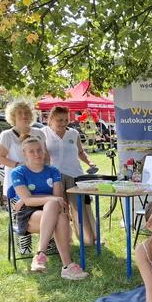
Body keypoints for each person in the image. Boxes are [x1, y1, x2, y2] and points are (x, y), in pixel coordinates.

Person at [11, 137, 89, 280]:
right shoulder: (18, 172)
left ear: (44, 151)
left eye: (39, 150)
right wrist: (46, 198)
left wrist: (38, 198)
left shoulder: (53, 171)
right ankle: (67, 265)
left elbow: (58, 197)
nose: (37, 154)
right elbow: (29, 201)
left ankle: (41, 254)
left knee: (58, 213)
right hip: (29, 214)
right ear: (24, 153)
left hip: (51, 211)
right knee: (55, 208)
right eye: (31, 151)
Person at [42, 105, 98, 245]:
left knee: (80, 209)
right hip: (54, 177)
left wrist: (90, 163)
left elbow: (80, 152)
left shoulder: (74, 133)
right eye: (59, 120)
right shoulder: (43, 133)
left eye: (66, 120)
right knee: (59, 210)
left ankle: (89, 238)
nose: (63, 123)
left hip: (75, 175)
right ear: (51, 119)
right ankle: (64, 239)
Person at [0, 100, 46, 196]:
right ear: (13, 116)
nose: (24, 115)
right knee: (21, 209)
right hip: (17, 180)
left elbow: (45, 154)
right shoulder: (7, 135)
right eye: (19, 113)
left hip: (38, 177)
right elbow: (0, 158)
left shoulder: (39, 133)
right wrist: (20, 166)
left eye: (27, 112)